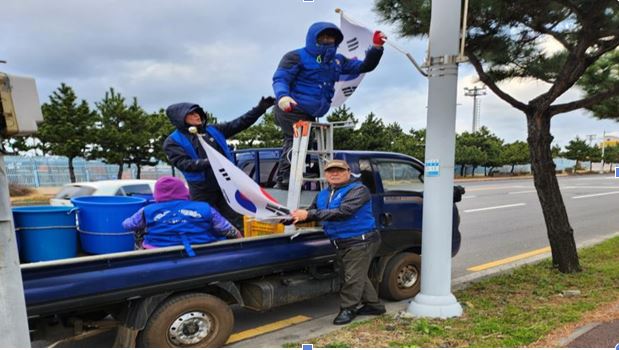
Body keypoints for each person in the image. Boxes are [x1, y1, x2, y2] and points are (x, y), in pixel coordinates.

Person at [272, 22, 386, 188]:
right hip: (291, 107)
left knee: (308, 143)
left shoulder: (337, 61)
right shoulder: (296, 56)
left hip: (311, 111)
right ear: (313, 38)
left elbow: (363, 66)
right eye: (323, 36)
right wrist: (282, 96)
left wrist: (376, 48)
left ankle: (299, 172)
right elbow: (281, 78)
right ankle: (286, 178)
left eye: (331, 36)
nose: (327, 40)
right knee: (295, 140)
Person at [290, 159, 385, 325]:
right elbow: (313, 211)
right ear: (325, 174)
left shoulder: (358, 190)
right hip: (340, 241)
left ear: (348, 172)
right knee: (355, 275)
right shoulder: (322, 194)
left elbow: (344, 212)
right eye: (330, 171)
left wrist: (310, 215)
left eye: (339, 171)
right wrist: (294, 218)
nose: (334, 174)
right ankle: (374, 305)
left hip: (360, 240)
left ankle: (348, 308)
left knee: (351, 277)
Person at [163, 97, 274, 230]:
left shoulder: (214, 130)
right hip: (201, 189)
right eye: (191, 114)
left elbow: (240, 123)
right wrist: (208, 163)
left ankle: (242, 247)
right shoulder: (172, 141)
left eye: (197, 112)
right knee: (205, 223)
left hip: (227, 185)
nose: (197, 115)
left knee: (237, 220)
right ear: (180, 118)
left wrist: (260, 109)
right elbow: (183, 163)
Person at [122, 176, 242, 256]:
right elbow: (226, 229)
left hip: (157, 252)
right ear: (184, 191)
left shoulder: (147, 211)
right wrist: (240, 239)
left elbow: (128, 225)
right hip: (202, 249)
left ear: (157, 194)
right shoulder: (204, 208)